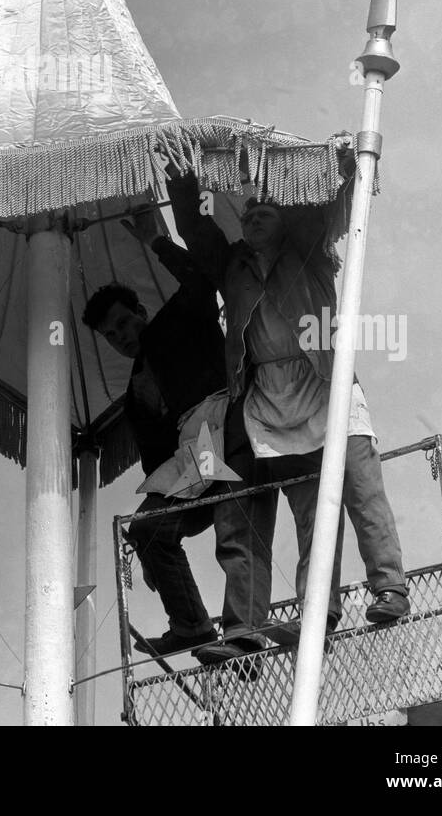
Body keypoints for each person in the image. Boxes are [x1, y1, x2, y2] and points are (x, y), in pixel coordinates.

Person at [166, 166, 409, 662]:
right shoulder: (233, 265)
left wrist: (329, 167)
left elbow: (324, 211)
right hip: (265, 397)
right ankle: (303, 613)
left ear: (286, 220)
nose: (253, 221)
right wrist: (181, 179)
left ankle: (389, 589)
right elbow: (195, 230)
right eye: (249, 214)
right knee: (303, 509)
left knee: (361, 492)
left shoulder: (311, 253)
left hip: (325, 383)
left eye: (266, 213)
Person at [82, 207, 270, 661]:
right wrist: (154, 547)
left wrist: (156, 241)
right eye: (112, 334)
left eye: (125, 323)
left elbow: (203, 282)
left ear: (141, 312)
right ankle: (192, 625)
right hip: (193, 458)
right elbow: (155, 461)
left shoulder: (178, 318)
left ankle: (244, 635)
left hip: (230, 423)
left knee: (234, 532)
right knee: (146, 529)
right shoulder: (133, 394)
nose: (122, 336)